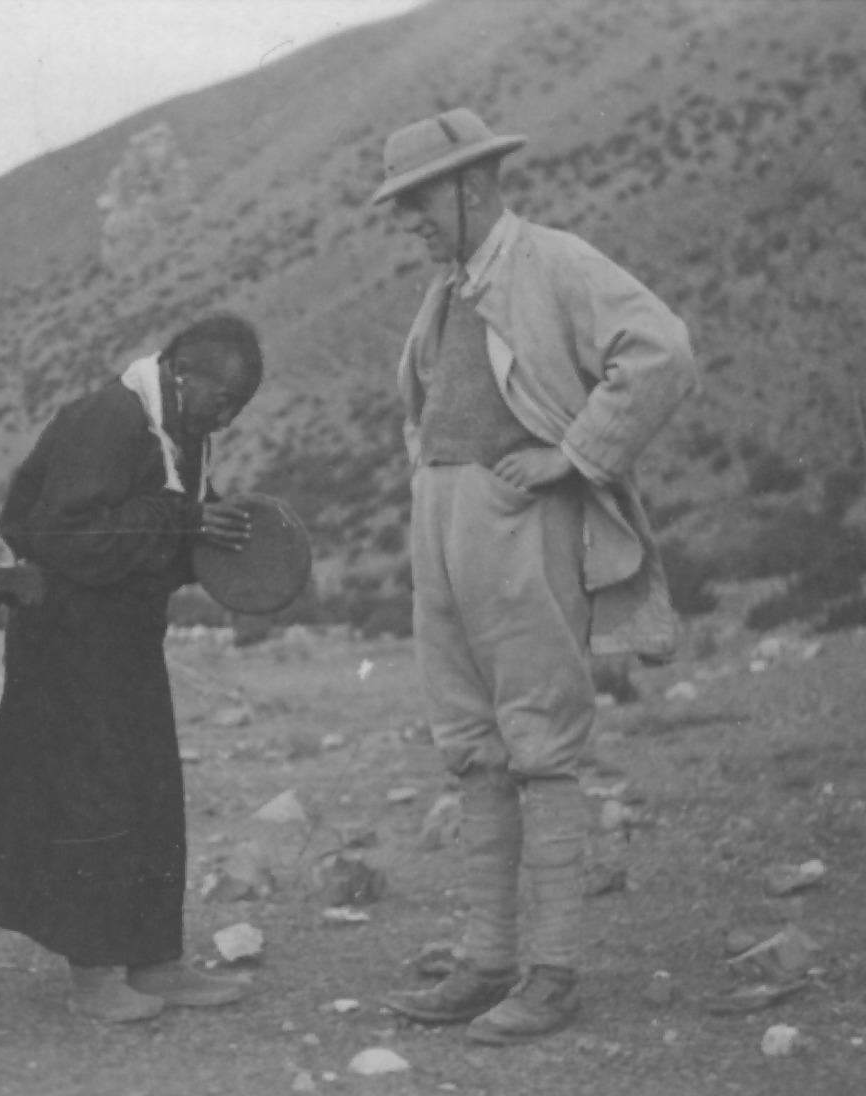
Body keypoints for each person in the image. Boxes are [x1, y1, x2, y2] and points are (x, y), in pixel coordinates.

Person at [368, 108, 698, 1044]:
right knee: (472, 743)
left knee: (541, 741)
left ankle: (552, 973)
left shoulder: (552, 261)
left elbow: (661, 349)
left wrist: (574, 454)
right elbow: (428, 410)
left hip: (520, 525)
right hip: (444, 527)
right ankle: (486, 960)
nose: (411, 221)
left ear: (473, 186)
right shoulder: (448, 291)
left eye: (421, 200)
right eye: (402, 206)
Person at [0, 314, 263, 1024]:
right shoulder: (109, 420)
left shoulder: (180, 434)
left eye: (237, 409)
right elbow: (65, 536)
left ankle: (155, 961)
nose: (227, 418)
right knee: (88, 798)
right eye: (223, 402)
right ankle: (93, 974)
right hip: (65, 643)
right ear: (183, 377)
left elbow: (168, 529)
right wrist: (182, 524)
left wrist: (215, 539)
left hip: (123, 640)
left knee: (150, 792)